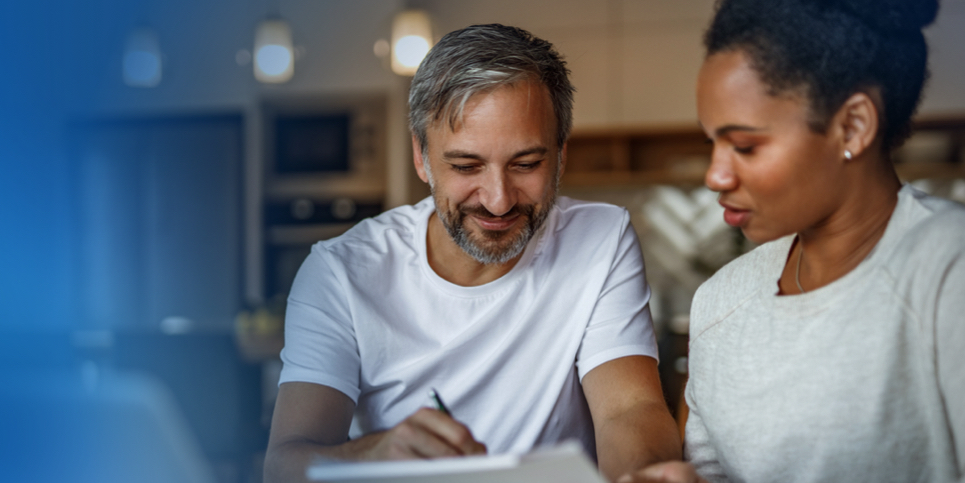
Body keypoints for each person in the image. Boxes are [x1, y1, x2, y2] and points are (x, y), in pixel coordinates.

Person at [263, 24, 682, 483]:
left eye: (526, 164)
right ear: (421, 156)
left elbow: (628, 408)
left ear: (560, 156)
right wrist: (373, 455)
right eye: (466, 166)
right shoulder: (339, 273)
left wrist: (642, 475)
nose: (499, 200)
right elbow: (285, 465)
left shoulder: (601, 238)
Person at [622, 0, 965, 482]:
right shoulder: (721, 301)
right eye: (712, 144)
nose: (715, 176)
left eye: (744, 146)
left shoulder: (947, 266)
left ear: (853, 126)